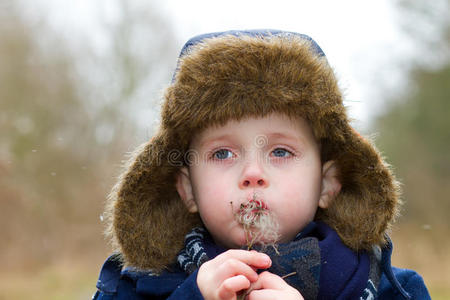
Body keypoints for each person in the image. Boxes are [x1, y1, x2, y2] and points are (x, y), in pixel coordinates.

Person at [93, 30, 430, 299]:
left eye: (280, 152)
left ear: (327, 183)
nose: (252, 175)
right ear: (187, 189)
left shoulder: (390, 289)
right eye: (222, 154)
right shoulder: (136, 288)